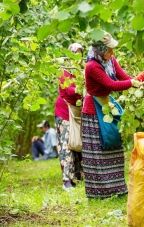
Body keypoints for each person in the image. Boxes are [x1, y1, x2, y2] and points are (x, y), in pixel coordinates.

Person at [81, 31, 144, 199]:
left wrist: (141, 80)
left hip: (107, 107)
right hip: (93, 111)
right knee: (98, 151)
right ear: (100, 49)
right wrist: (132, 83)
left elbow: (124, 78)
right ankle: (99, 193)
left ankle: (118, 189)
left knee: (113, 146)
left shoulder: (110, 60)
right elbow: (111, 84)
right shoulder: (92, 66)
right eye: (109, 49)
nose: (112, 52)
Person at [55, 43, 84, 191]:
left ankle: (79, 175)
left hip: (78, 113)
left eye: (80, 54)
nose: (77, 57)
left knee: (78, 143)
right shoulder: (64, 72)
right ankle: (67, 180)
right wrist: (83, 88)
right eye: (75, 54)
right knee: (66, 145)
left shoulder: (81, 72)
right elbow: (69, 91)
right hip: (64, 112)